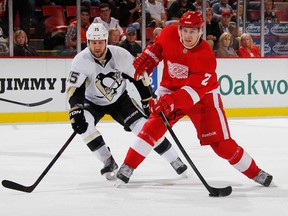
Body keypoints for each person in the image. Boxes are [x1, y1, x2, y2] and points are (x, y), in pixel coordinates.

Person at [116, 11, 273, 188]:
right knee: (152, 127)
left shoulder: (206, 57)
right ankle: (127, 166)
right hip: (172, 87)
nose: (188, 35)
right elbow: (158, 48)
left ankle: (255, 172)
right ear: (180, 29)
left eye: (193, 31)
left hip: (203, 97)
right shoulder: (168, 33)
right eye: (185, 30)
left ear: (200, 32)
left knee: (220, 144)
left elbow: (192, 92)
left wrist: (169, 102)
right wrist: (149, 57)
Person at [66, 22, 187, 181]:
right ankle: (107, 161)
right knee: (85, 126)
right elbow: (74, 90)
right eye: (93, 42)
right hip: (92, 102)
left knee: (145, 129)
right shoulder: (80, 60)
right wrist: (76, 109)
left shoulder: (120, 55)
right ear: (88, 42)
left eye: (100, 42)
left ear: (106, 41)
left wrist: (147, 99)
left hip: (120, 101)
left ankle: (174, 159)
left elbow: (138, 77)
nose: (97, 46)